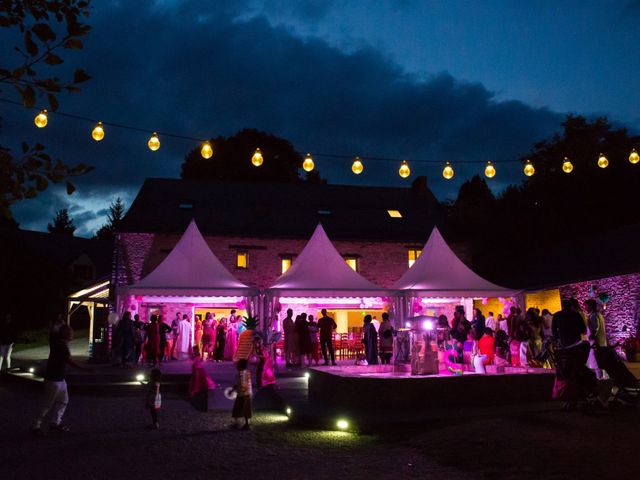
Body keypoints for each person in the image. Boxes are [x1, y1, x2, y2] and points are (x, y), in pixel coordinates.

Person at [31, 325, 91, 435]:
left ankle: (55, 423)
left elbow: (52, 333)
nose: (73, 334)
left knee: (64, 401)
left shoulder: (57, 342)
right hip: (54, 379)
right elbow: (69, 361)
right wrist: (84, 369)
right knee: (48, 404)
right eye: (71, 332)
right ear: (65, 334)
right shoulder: (62, 346)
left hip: (59, 379)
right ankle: (35, 426)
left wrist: (57, 325)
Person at [585, 299, 607, 379]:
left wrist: (590, 337)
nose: (585, 307)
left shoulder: (594, 315)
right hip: (600, 342)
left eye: (586, 306)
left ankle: (600, 380)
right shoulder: (598, 314)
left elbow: (595, 328)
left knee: (596, 362)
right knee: (599, 362)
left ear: (590, 306)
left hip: (596, 343)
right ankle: (602, 379)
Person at [231, 359, 252, 430]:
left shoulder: (239, 374)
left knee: (236, 409)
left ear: (240, 366)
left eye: (237, 365)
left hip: (241, 395)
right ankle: (247, 424)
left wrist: (231, 391)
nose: (236, 366)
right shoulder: (248, 373)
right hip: (248, 394)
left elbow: (237, 384)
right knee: (246, 410)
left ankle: (236, 424)